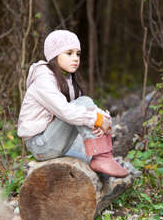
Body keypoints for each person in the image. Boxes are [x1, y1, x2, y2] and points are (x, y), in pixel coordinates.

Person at [17, 30, 128, 178]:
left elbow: (88, 109)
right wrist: (97, 120)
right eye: (69, 53)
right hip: (41, 145)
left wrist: (104, 119)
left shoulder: (67, 80)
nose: (75, 58)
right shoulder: (43, 80)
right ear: (54, 56)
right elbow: (67, 112)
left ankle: (103, 157)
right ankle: (101, 157)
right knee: (81, 105)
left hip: (56, 139)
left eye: (78, 54)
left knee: (102, 174)